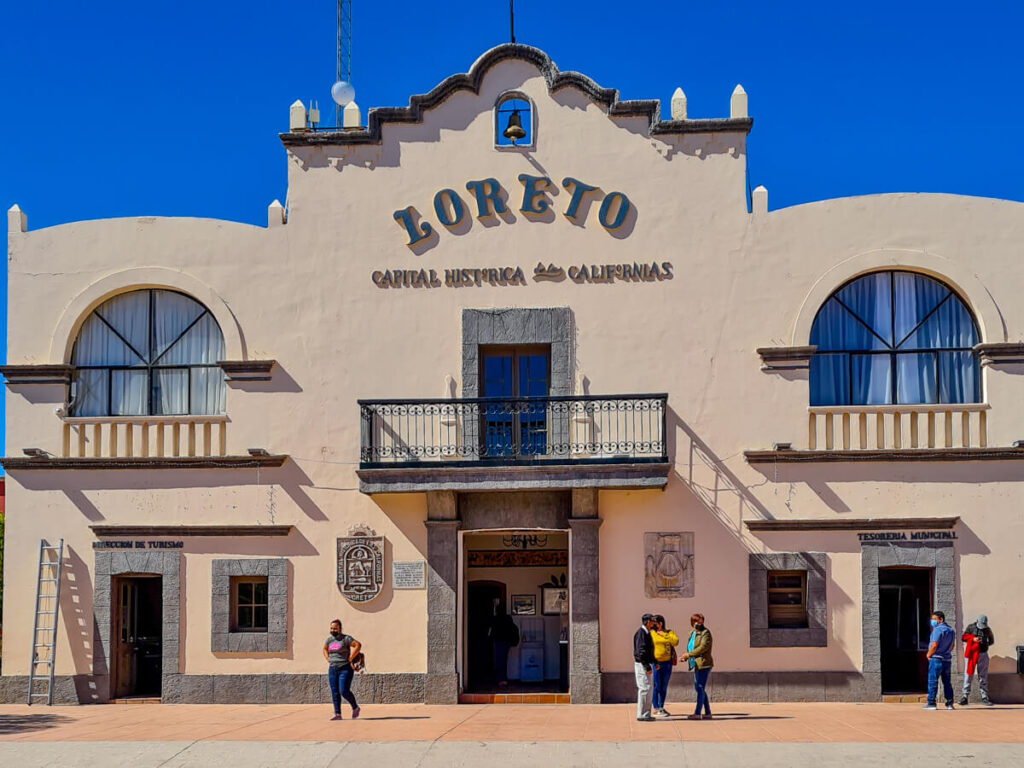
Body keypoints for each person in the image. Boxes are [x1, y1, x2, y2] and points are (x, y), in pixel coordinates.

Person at [323, 619, 361, 721]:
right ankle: (337, 714)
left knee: (343, 690)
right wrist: (327, 658)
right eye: (331, 628)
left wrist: (350, 658)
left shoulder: (346, 639)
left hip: (345, 668)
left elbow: (358, 645)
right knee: (335, 692)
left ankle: (355, 707)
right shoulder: (329, 640)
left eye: (335, 628)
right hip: (332, 669)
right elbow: (325, 648)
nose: (333, 630)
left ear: (340, 629)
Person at [680, 613, 713, 720]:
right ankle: (707, 712)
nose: (697, 623)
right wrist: (686, 657)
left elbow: (703, 647)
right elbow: (691, 647)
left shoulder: (705, 633)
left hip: (704, 664)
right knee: (700, 688)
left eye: (699, 621)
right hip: (696, 663)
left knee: (699, 687)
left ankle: (697, 713)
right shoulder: (692, 633)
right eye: (695, 621)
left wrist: (688, 655)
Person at [960, 614, 995, 706]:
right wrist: (973, 639)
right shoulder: (971, 627)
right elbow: (963, 637)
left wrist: (984, 644)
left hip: (983, 654)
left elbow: (991, 641)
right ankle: (965, 696)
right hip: (971, 654)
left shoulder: (987, 630)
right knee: (968, 675)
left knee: (983, 676)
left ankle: (984, 697)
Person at [923, 610, 955, 710]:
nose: (932, 621)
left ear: (941, 619)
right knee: (947, 682)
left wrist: (928, 654)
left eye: (934, 619)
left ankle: (931, 702)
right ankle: (949, 703)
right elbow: (952, 646)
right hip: (947, 659)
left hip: (936, 659)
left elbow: (934, 645)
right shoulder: (951, 630)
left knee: (933, 681)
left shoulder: (937, 630)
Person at [650, 614, 679, 717]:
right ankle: (656, 707)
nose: (654, 625)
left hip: (667, 663)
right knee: (657, 685)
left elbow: (675, 642)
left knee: (664, 686)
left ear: (661, 623)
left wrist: (664, 634)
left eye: (656, 623)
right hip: (656, 662)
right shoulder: (652, 633)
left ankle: (661, 706)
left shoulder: (669, 632)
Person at [633, 613, 657, 721]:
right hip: (642, 665)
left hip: (646, 664)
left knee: (648, 688)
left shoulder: (647, 633)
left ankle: (646, 713)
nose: (654, 623)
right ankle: (642, 714)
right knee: (644, 688)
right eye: (652, 621)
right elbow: (640, 652)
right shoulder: (641, 634)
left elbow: (649, 651)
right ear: (647, 622)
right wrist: (646, 666)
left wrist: (654, 662)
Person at [489, 605, 520, 688]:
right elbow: (514, 629)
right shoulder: (508, 618)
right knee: (503, 660)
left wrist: (490, 640)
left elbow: (492, 631)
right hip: (506, 642)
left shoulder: (495, 619)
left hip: (498, 642)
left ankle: (501, 679)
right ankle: (503, 679)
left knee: (498, 661)